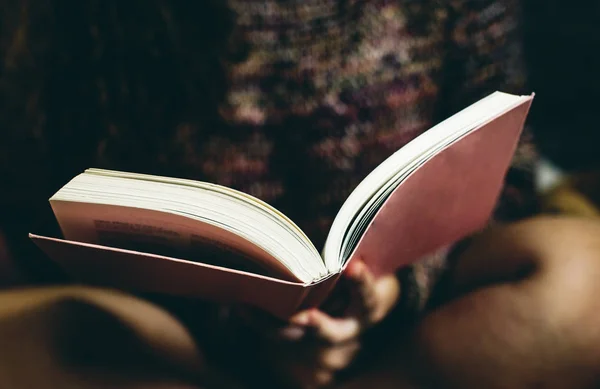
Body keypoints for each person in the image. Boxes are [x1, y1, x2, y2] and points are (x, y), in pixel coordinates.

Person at [1, 0, 598, 388]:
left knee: (585, 276)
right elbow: (46, 210)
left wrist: (393, 291)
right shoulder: (78, 20)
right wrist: (252, 328)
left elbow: (510, 169)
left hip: (414, 315)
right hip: (186, 343)